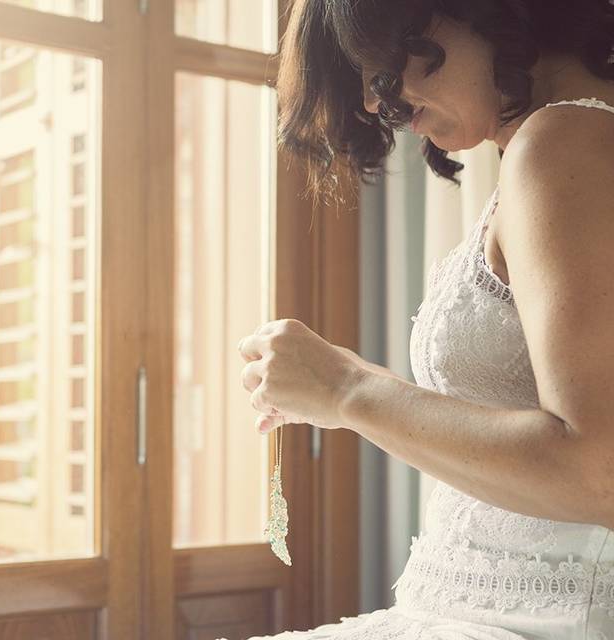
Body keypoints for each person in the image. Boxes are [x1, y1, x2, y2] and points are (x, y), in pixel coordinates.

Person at [235, 0, 614, 638]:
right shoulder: (561, 144)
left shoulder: (564, 142)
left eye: (382, 68)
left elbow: (599, 470)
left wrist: (348, 392)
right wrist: (347, 379)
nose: (379, 106)